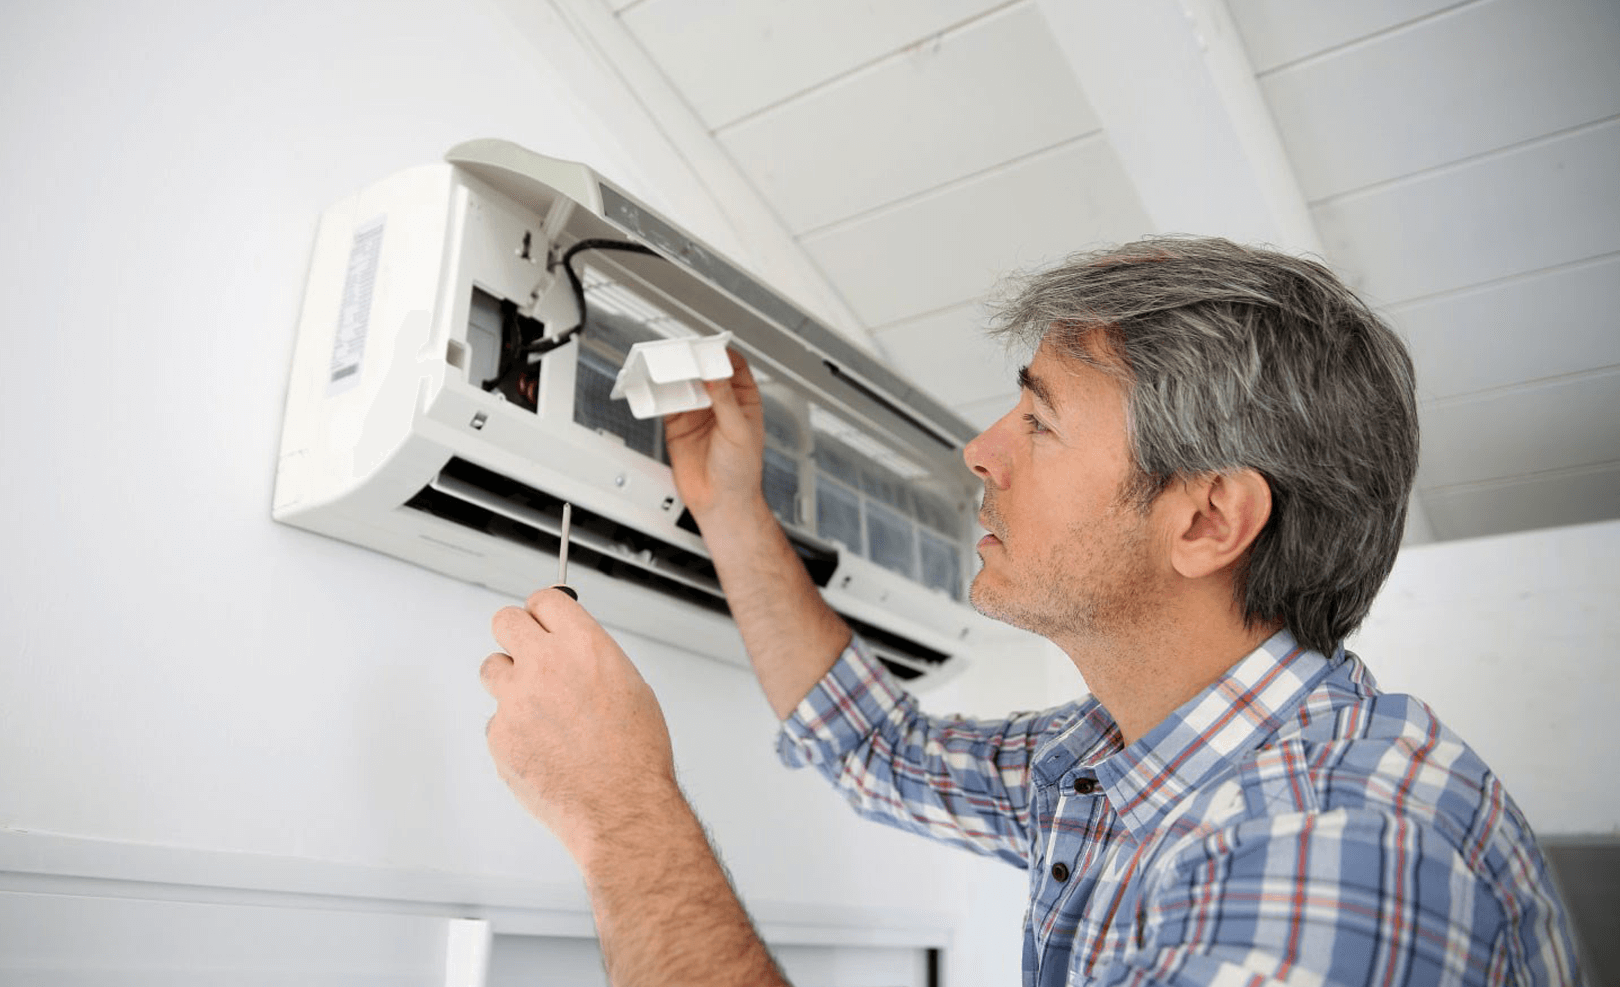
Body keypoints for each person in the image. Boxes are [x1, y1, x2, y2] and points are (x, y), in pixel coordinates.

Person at [479, 237, 1584, 986]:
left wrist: (621, 815)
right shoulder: (1117, 761)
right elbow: (875, 748)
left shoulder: (1333, 849)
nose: (981, 451)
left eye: (1040, 423)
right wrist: (729, 510)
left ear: (1208, 522)